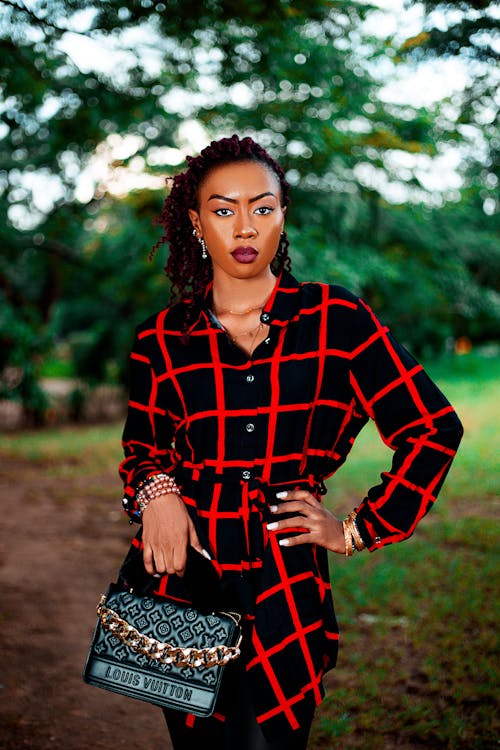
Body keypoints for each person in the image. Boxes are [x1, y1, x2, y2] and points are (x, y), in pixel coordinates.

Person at [119, 134, 463, 749]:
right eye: (223, 210)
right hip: (186, 572)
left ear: (283, 215)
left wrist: (359, 528)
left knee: (272, 740)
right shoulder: (162, 339)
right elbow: (143, 448)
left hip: (288, 579)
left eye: (262, 207)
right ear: (196, 223)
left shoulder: (339, 320)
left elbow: (433, 427)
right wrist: (158, 495)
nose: (244, 227)